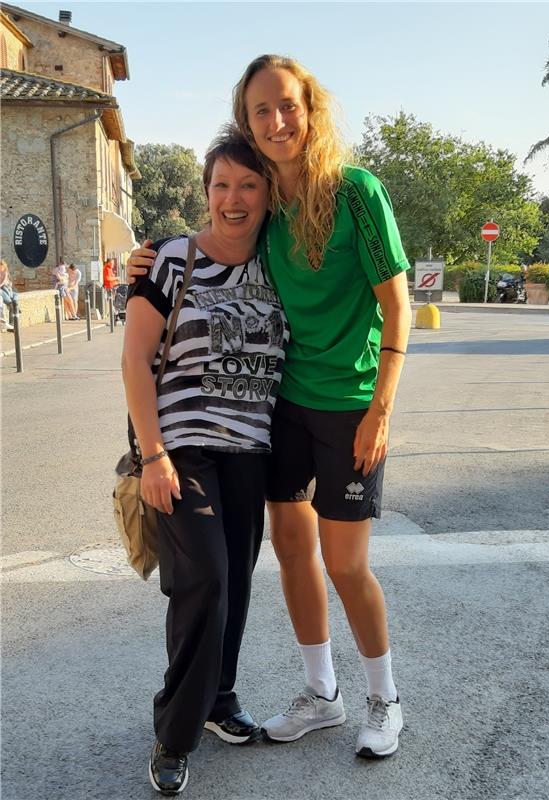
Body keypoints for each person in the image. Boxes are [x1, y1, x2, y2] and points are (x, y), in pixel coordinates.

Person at [128, 54, 412, 761]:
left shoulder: (355, 191)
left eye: (287, 105)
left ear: (309, 109)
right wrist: (148, 257)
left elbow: (397, 303)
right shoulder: (270, 207)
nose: (277, 120)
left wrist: (381, 406)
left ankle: (384, 699)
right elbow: (214, 238)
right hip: (281, 410)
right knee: (290, 553)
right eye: (261, 110)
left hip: (348, 406)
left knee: (345, 565)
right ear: (248, 124)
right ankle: (323, 693)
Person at [122, 130, 288, 795]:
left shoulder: (281, 267)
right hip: (181, 447)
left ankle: (218, 700)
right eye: (221, 185)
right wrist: (151, 455)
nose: (233, 198)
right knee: (206, 582)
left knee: (236, 586)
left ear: (268, 194)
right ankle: (175, 730)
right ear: (206, 192)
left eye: (248, 184)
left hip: (250, 449)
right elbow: (135, 358)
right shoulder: (167, 260)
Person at [0, 260, 18, 328]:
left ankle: (12, 323)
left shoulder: (5, 273)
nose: (1, 268)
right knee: (10, 304)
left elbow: (4, 282)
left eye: (2, 266)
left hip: (5, 288)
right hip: (2, 289)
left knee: (11, 303)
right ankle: (11, 323)